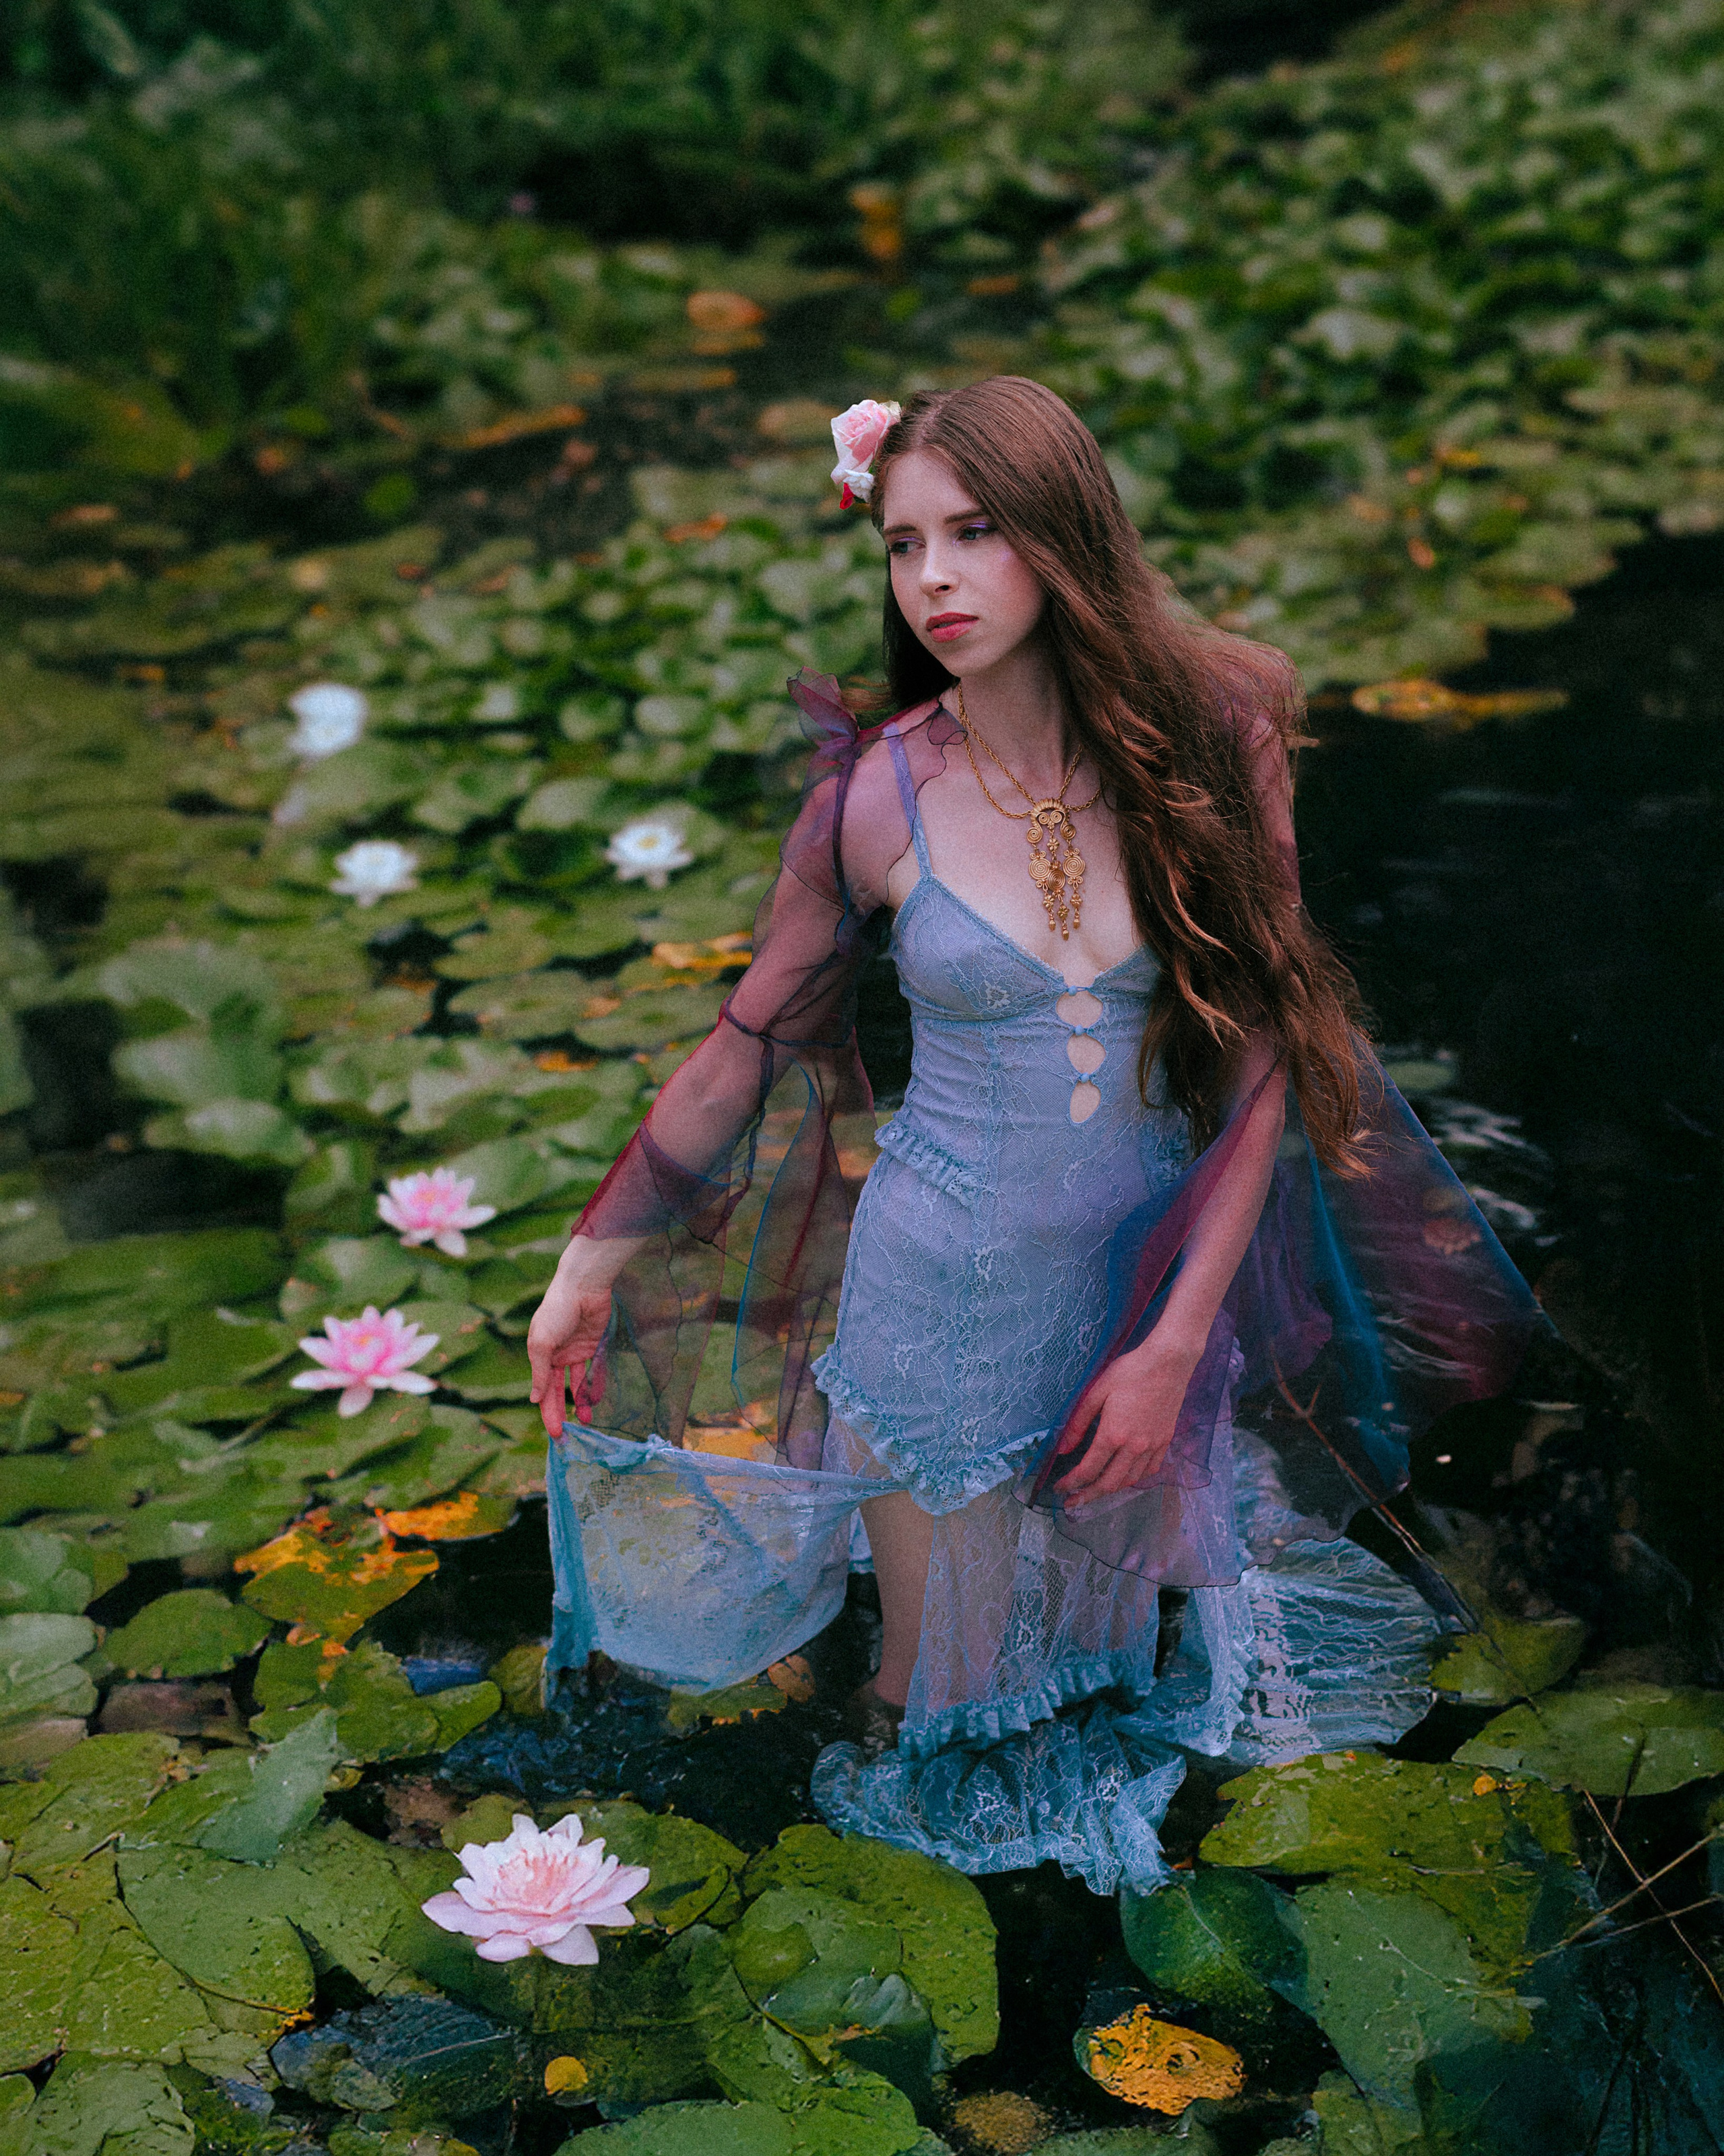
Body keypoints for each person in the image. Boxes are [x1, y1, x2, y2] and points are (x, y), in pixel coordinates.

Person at [525, 377, 1544, 1894]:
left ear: (1063, 533)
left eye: (975, 533)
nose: (931, 578)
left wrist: (1167, 1345)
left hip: (1133, 1288)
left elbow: (1267, 1049)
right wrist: (587, 1263)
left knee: (1110, 1678)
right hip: (936, 1311)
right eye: (900, 543)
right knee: (935, 1714)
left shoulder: (1217, 730)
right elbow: (743, 1046)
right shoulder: (874, 801)